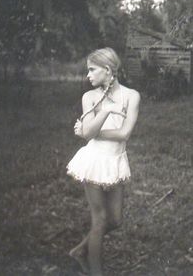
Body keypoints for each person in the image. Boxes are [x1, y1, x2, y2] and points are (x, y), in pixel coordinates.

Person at [66, 47, 140, 276]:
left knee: (115, 220)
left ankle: (79, 250)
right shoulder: (89, 97)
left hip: (115, 160)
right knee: (100, 219)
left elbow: (124, 134)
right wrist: (106, 111)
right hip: (95, 160)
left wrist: (89, 130)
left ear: (107, 70)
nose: (87, 75)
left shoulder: (131, 96)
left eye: (91, 70)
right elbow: (88, 134)